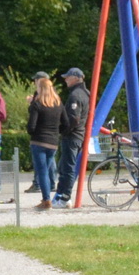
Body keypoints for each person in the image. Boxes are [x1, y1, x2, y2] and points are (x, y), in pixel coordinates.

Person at [25, 73, 62, 210]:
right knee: (46, 170)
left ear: (41, 88)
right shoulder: (58, 104)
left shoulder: (37, 104)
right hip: (53, 142)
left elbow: (31, 127)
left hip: (39, 142)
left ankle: (46, 200)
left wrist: (33, 132)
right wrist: (57, 132)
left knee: (42, 172)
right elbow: (66, 122)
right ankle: (47, 197)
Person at [55, 67, 89, 206]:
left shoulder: (76, 95)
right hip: (79, 135)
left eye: (68, 77)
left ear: (75, 78)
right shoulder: (87, 93)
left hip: (72, 135)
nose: (66, 80)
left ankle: (65, 198)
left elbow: (74, 118)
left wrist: (63, 130)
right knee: (64, 166)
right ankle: (60, 195)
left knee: (68, 168)